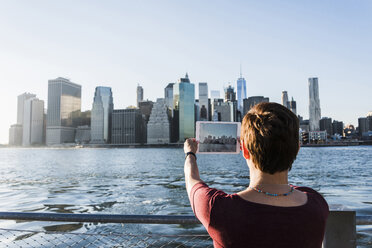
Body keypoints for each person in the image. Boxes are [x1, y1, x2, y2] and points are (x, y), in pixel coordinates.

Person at [184, 102, 329, 248]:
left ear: (245, 150)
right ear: (297, 149)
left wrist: (190, 153)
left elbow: (192, 181)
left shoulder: (217, 208)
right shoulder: (317, 204)